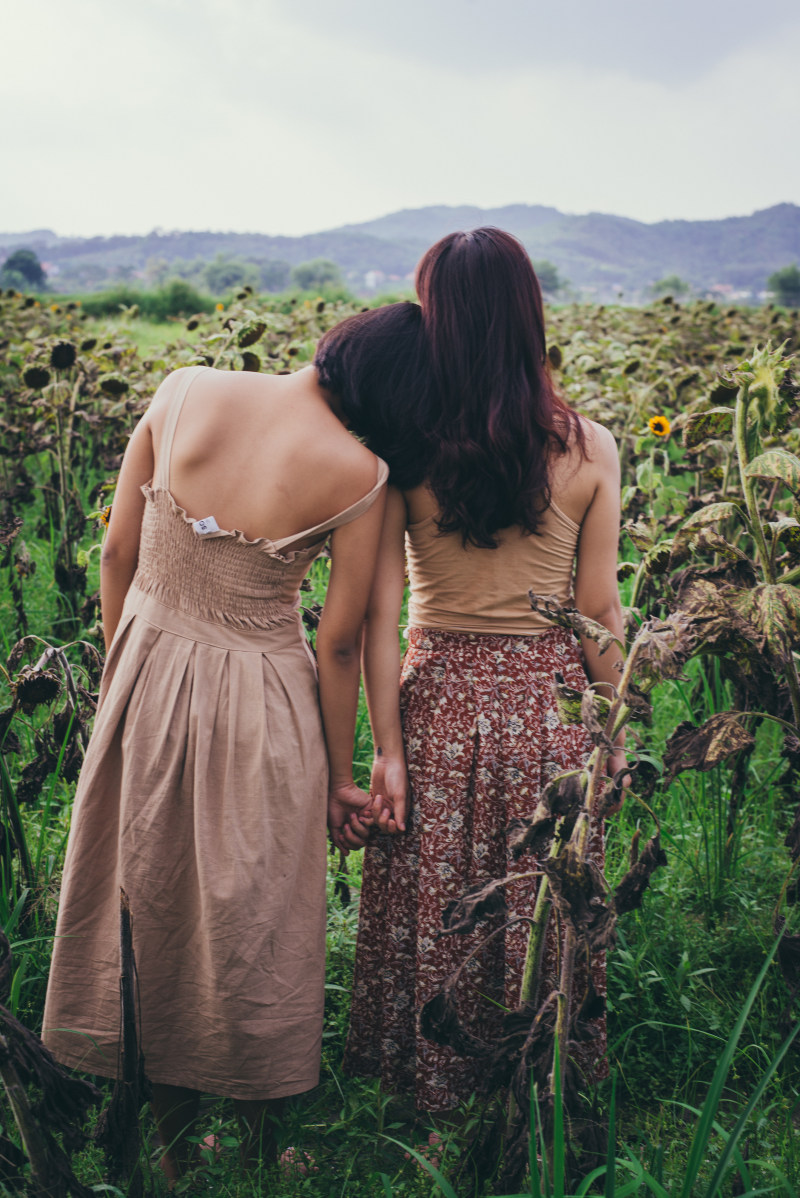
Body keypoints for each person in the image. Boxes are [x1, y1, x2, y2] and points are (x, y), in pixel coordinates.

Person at [42, 361, 387, 1180]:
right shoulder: (361, 473)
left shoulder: (183, 385)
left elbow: (118, 548)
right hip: (262, 702)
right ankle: (263, 1147)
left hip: (148, 669)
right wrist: (346, 776)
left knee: (147, 891)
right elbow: (339, 642)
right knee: (257, 912)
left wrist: (129, 663)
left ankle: (172, 1151)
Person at [316, 229, 627, 1114]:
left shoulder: (403, 450)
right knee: (542, 897)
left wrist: (387, 748)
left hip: (439, 696)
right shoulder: (592, 447)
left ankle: (428, 1081)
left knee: (440, 897)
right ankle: (542, 1077)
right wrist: (613, 732)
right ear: (531, 320)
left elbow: (382, 619)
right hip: (552, 702)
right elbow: (601, 610)